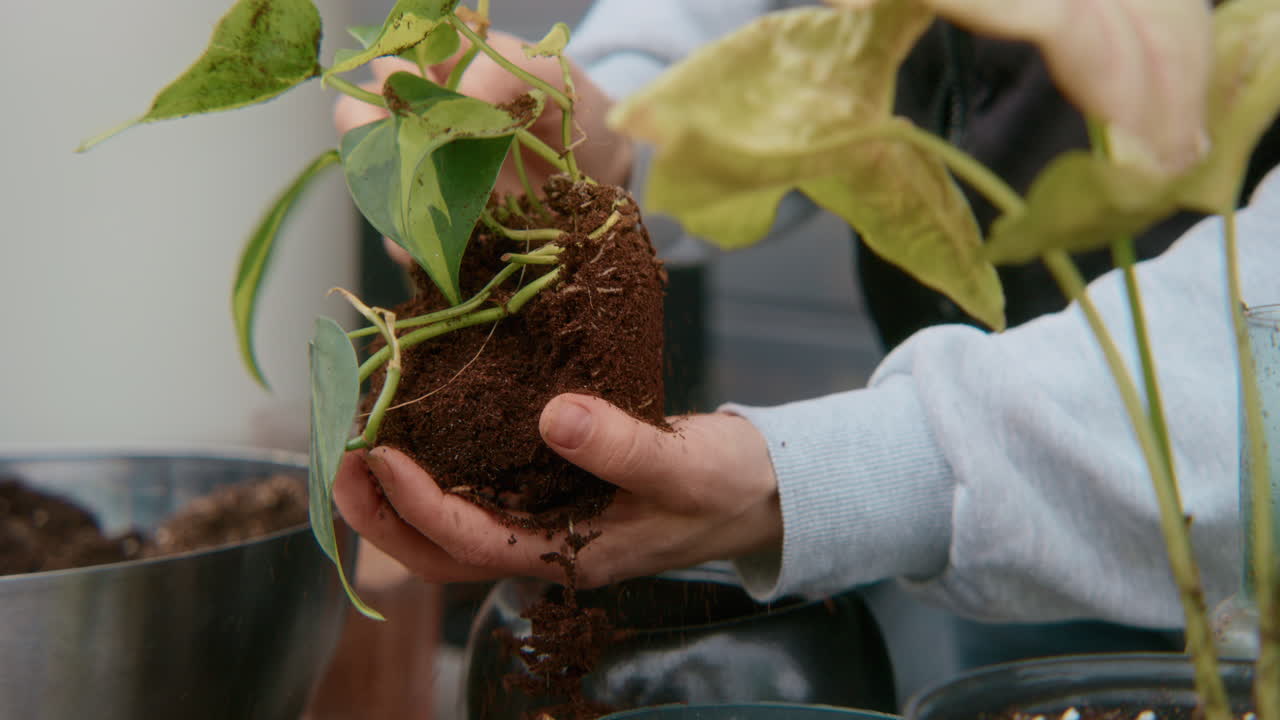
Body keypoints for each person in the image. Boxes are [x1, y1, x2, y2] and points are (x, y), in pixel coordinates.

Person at [331, 2, 1280, 637]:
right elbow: (770, 33)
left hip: (1236, 562)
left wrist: (817, 480)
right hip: (948, 547)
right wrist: (608, 118)